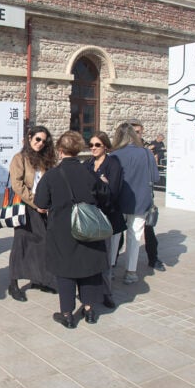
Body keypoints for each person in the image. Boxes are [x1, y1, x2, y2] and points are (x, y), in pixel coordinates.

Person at [34, 131, 110, 328]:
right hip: (88, 227)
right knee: (89, 270)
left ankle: (67, 315)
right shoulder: (90, 173)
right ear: (79, 150)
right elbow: (104, 197)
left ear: (60, 151)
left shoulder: (51, 175)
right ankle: (89, 310)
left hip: (62, 231)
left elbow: (40, 203)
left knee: (66, 272)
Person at [6, 125, 58, 302]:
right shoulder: (19, 158)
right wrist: (36, 203)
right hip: (25, 206)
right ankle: (13, 284)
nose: (40, 143)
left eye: (44, 141)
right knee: (21, 243)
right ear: (30, 138)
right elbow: (17, 185)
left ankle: (39, 279)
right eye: (37, 139)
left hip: (42, 206)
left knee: (42, 243)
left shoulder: (45, 159)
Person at [110, 122, 161, 284]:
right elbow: (155, 178)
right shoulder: (146, 153)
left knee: (114, 236)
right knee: (135, 235)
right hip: (140, 200)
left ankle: (110, 268)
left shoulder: (113, 155)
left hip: (118, 201)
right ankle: (131, 271)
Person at [84, 131, 125, 308]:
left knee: (106, 258)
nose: (93, 148)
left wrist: (103, 185)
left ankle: (106, 293)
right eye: (91, 145)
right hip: (90, 216)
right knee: (90, 256)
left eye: (97, 145)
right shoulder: (87, 164)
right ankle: (89, 290)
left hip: (106, 217)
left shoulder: (113, 164)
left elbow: (113, 192)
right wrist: (102, 183)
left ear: (105, 146)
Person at [129, 120, 164, 272]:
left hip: (143, 195)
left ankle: (153, 258)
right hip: (126, 196)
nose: (138, 134)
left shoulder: (146, 150)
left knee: (148, 229)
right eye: (135, 132)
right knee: (121, 233)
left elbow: (154, 175)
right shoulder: (122, 149)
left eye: (139, 131)